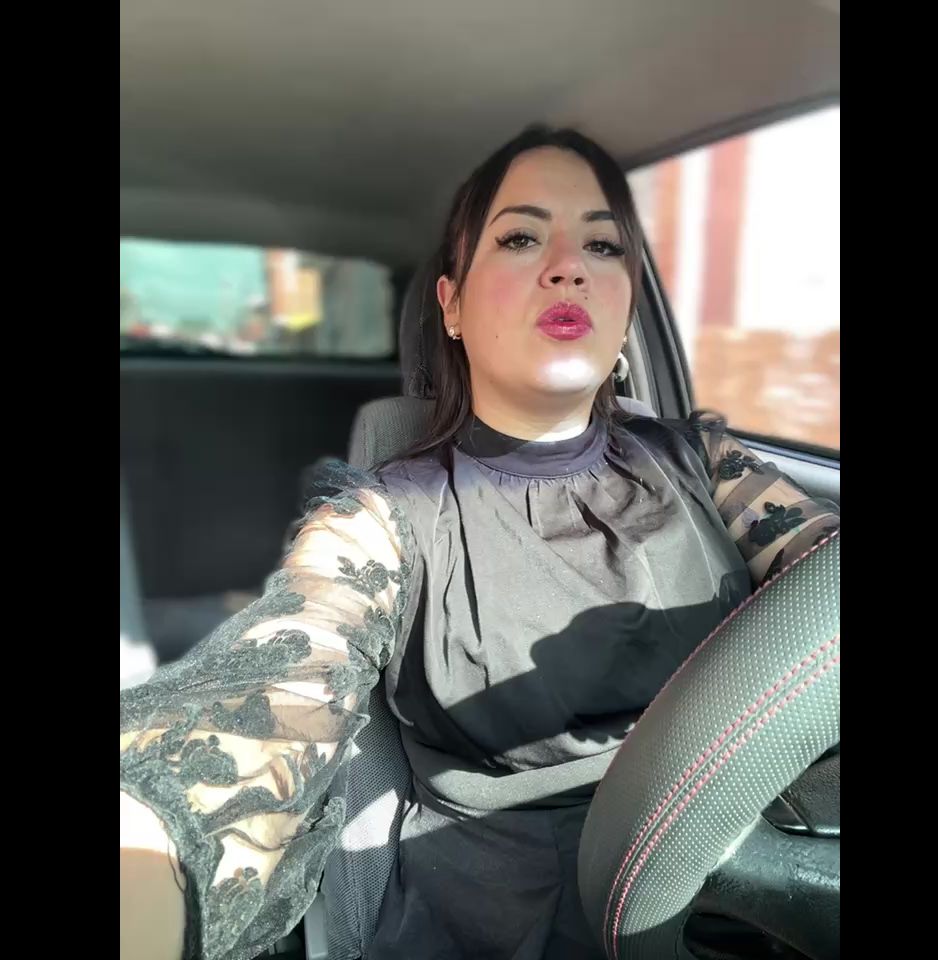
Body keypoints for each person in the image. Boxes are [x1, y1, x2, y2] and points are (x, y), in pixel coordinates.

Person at [120, 126, 840, 960]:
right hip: (507, 921)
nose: (568, 267)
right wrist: (156, 844)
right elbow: (278, 682)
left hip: (755, 872)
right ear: (453, 305)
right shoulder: (383, 516)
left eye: (602, 245)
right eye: (521, 237)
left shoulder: (706, 460)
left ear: (627, 301)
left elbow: (821, 578)